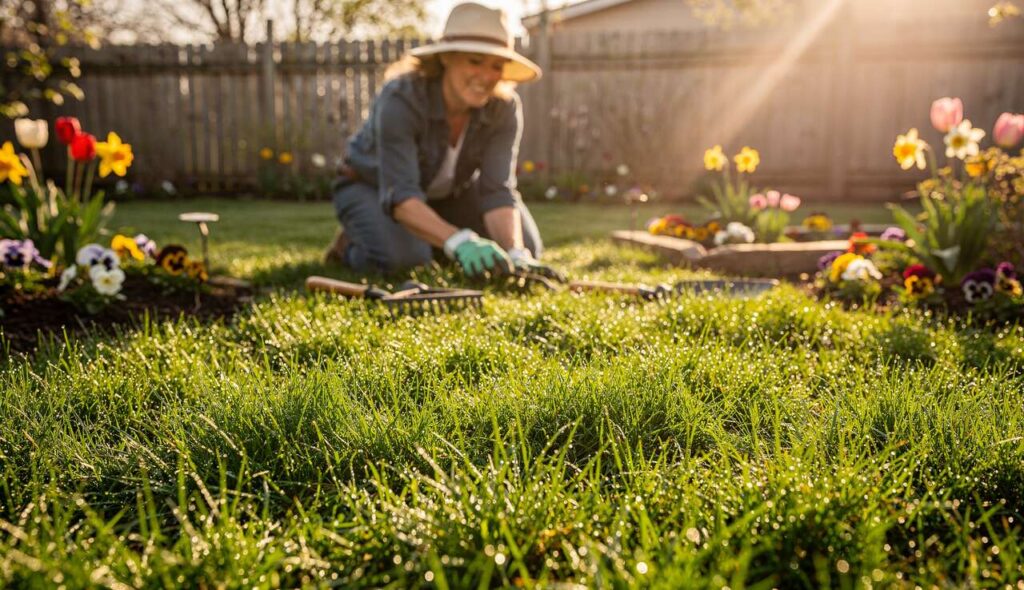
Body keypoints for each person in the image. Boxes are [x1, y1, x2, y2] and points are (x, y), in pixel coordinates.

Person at [324, 2, 562, 281]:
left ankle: (433, 239)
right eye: (474, 61)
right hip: (372, 189)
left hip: (447, 195)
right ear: (447, 58)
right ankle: (353, 244)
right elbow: (401, 195)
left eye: (496, 65)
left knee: (526, 247)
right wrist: (459, 241)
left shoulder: (503, 108)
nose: (486, 76)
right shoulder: (401, 98)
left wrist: (516, 252)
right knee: (408, 260)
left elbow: (497, 190)